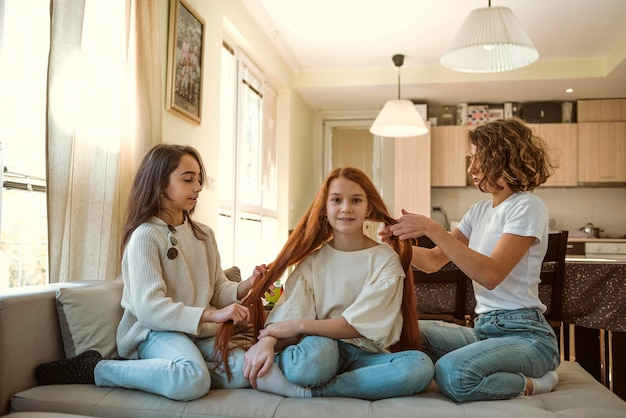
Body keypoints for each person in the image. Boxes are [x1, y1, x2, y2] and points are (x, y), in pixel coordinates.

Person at [35, 144, 299, 401]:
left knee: (247, 369)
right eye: (187, 179)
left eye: (199, 179)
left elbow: (217, 290)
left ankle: (181, 372)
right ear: (160, 184)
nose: (197, 187)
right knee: (192, 380)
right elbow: (150, 310)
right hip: (153, 332)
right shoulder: (145, 236)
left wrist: (249, 284)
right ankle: (96, 369)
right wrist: (213, 315)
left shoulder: (203, 234)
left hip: (198, 333)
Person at [379, 118, 561, 403]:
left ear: (503, 159)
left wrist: (431, 228)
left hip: (527, 336)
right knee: (400, 331)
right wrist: (393, 245)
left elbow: (490, 275)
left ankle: (536, 383)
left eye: (479, 159)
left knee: (453, 374)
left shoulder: (527, 206)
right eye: (471, 159)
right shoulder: (479, 211)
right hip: (483, 332)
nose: (471, 169)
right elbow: (432, 261)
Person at [215, 167, 435, 400]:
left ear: (368, 207)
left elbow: (357, 326)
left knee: (419, 366)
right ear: (325, 208)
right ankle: (290, 374)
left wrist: (301, 326)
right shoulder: (312, 262)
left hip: (366, 357)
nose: (346, 208)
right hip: (321, 350)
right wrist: (267, 341)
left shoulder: (385, 260)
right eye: (336, 200)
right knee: (318, 354)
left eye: (356, 200)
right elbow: (287, 319)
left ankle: (311, 391)